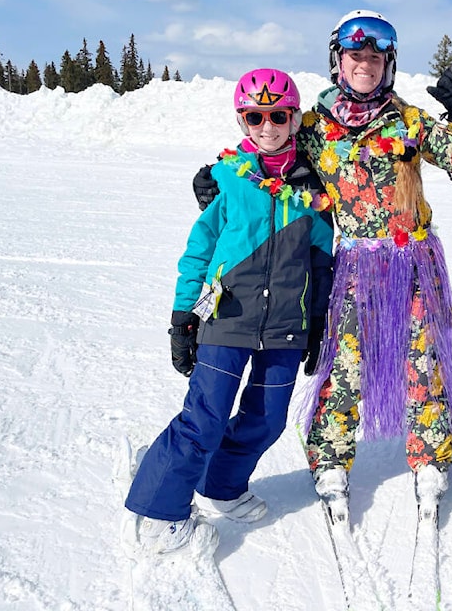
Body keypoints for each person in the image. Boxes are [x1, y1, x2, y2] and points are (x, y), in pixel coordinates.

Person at [194, 11, 452, 521]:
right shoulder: (311, 125)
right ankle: (330, 456)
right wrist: (220, 177)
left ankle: (431, 456)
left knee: (423, 359)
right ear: (338, 61)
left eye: (375, 57)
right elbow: (266, 151)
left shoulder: (408, 120)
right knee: (343, 362)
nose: (366, 64)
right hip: (350, 264)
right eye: (356, 55)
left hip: (412, 260)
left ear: (387, 64)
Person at [122, 68, 334, 555]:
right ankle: (160, 511)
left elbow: (322, 264)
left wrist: (317, 321)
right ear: (242, 121)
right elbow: (199, 250)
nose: (268, 126)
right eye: (255, 116)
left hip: (286, 326)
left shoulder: (314, 192)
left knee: (267, 418)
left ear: (295, 118)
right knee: (206, 417)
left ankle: (221, 485)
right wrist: (182, 316)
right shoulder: (227, 179)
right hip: (227, 317)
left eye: (278, 115)